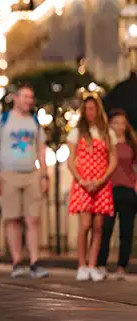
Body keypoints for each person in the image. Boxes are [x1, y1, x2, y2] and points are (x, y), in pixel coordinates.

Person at [0, 84, 49, 279]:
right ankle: (16, 261)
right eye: (25, 97)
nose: (28, 101)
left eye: (31, 97)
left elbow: (41, 149)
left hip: (32, 173)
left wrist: (44, 175)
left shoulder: (34, 121)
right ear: (15, 98)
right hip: (8, 174)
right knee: (12, 218)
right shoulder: (2, 120)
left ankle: (34, 262)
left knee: (33, 219)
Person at [67, 95, 116, 282]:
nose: (90, 112)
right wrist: (81, 180)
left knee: (98, 226)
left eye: (93, 108)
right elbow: (71, 160)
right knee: (85, 224)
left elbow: (113, 160)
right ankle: (81, 265)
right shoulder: (77, 133)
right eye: (87, 109)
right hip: (83, 183)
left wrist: (102, 179)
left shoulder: (107, 133)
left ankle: (92, 264)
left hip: (101, 183)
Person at [96, 109, 137, 279]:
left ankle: (121, 267)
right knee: (105, 229)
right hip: (109, 189)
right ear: (110, 124)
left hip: (128, 190)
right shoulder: (105, 142)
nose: (120, 126)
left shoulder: (131, 143)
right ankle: (101, 264)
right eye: (116, 123)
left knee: (126, 231)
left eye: (122, 123)